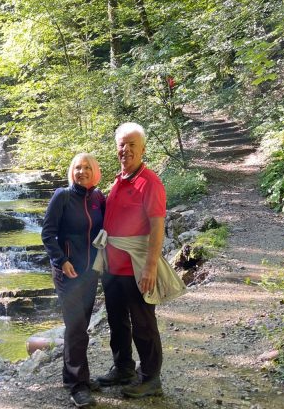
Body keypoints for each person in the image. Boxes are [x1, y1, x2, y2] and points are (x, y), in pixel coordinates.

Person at [95, 122, 167, 398]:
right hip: (112, 266)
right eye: (121, 145)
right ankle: (123, 367)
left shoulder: (149, 182)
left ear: (143, 149)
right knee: (117, 320)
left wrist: (150, 266)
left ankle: (150, 378)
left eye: (131, 145)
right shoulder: (119, 179)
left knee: (143, 322)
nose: (125, 150)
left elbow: (157, 226)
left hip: (136, 266)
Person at [41, 153, 105, 408]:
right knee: (76, 326)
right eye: (77, 168)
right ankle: (77, 385)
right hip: (67, 273)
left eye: (87, 167)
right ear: (72, 172)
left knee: (81, 327)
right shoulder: (62, 196)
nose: (82, 171)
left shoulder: (98, 199)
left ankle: (77, 377)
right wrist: (61, 261)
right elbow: (47, 233)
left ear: (95, 171)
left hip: (90, 273)